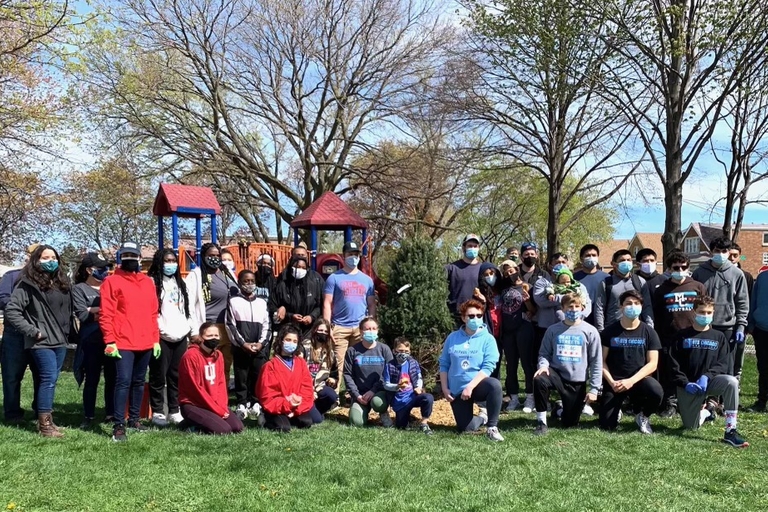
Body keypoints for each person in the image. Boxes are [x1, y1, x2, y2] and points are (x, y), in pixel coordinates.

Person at [5, 245, 72, 437]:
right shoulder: (27, 284)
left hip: (60, 339)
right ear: (36, 260)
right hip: (41, 341)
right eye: (45, 257)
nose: (50, 261)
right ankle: (45, 425)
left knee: (51, 379)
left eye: (53, 257)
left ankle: (48, 420)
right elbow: (12, 310)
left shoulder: (62, 283)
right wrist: (32, 330)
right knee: (48, 379)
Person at [667, 296, 748, 448]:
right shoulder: (681, 336)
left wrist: (706, 376)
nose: (705, 316)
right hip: (688, 386)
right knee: (691, 426)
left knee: (731, 382)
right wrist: (685, 383)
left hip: (710, 383)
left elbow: (723, 364)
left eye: (709, 312)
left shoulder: (719, 337)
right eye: (702, 312)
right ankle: (707, 413)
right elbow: (673, 364)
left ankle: (731, 430)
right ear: (694, 311)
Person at [99, 241, 160, 442]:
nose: (129, 259)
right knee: (123, 381)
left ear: (139, 258)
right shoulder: (111, 282)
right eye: (125, 256)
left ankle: (134, 419)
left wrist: (155, 339)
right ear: (120, 258)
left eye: (133, 256)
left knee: (139, 381)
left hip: (145, 341)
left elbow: (153, 312)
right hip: (122, 341)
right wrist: (110, 340)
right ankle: (119, 425)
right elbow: (106, 314)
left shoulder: (147, 282)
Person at [532, 292, 602, 435]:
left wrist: (594, 388)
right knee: (539, 379)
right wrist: (543, 366)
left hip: (577, 380)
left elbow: (596, 361)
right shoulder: (553, 330)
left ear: (582, 308)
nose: (574, 310)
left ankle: (559, 409)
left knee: (570, 423)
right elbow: (544, 353)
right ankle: (541, 422)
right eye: (570, 307)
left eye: (577, 306)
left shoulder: (590, 331)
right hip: (556, 373)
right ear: (563, 309)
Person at [651, 250, 708, 417]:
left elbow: (706, 309)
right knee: (672, 372)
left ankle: (693, 403)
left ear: (688, 267)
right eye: (676, 267)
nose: (680, 270)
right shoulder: (662, 289)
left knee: (691, 370)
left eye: (684, 267)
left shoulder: (698, 286)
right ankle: (671, 403)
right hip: (670, 337)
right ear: (669, 268)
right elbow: (658, 314)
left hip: (693, 335)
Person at [439, 299, 504, 442]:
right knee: (465, 428)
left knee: (495, 385)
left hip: (478, 385)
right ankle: (482, 417)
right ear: (463, 318)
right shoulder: (452, 338)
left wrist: (470, 386)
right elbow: (444, 364)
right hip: (457, 389)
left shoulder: (488, 339)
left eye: (479, 316)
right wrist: (445, 388)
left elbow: (488, 366)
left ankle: (492, 427)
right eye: (471, 316)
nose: (476, 319)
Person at [598, 290, 663, 433]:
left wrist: (631, 381)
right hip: (615, 382)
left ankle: (643, 415)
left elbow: (653, 363)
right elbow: (601, 361)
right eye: (628, 303)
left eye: (636, 303)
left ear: (641, 306)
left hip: (639, 380)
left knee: (656, 391)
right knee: (607, 426)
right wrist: (611, 382)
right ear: (621, 307)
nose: (632, 306)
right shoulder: (609, 332)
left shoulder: (649, 332)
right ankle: (616, 410)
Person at [147, 249, 193, 427]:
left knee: (176, 375)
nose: (171, 264)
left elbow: (185, 308)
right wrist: (159, 330)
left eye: (173, 260)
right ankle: (158, 411)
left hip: (180, 335)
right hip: (161, 336)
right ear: (159, 262)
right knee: (159, 375)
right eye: (167, 260)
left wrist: (188, 328)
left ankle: (174, 409)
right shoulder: (152, 283)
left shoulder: (180, 283)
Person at [691, 237, 749, 378]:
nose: (721, 254)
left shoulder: (737, 274)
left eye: (725, 251)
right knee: (707, 362)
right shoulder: (699, 272)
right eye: (718, 251)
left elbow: (742, 302)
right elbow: (694, 300)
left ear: (729, 252)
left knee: (727, 363)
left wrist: (741, 325)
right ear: (711, 252)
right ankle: (708, 396)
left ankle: (723, 398)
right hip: (705, 324)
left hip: (728, 326)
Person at [323, 241, 376, 394]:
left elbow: (371, 304)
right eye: (350, 254)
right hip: (339, 327)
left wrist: (371, 325)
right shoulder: (334, 278)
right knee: (338, 365)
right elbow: (327, 303)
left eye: (356, 254)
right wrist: (328, 327)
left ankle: (356, 395)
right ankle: (335, 397)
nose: (353, 257)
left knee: (360, 364)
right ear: (343, 256)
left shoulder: (367, 280)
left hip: (361, 329)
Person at [72, 252, 116, 429]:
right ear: (89, 269)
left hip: (111, 340)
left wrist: (93, 309)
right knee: (91, 379)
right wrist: (105, 310)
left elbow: (118, 311)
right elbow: (82, 315)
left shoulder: (110, 285)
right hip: (90, 341)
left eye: (107, 267)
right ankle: (88, 416)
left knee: (112, 379)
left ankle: (111, 413)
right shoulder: (79, 289)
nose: (106, 271)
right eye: (101, 268)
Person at [186, 242, 239, 383]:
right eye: (211, 255)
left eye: (217, 255)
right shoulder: (196, 275)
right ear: (203, 257)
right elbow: (189, 304)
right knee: (207, 367)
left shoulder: (227, 273)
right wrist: (194, 331)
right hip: (208, 327)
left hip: (227, 327)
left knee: (225, 365)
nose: (215, 258)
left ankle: (222, 398)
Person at [178, 323, 244, 435]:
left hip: (213, 403)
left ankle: (201, 421)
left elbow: (221, 383)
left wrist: (222, 407)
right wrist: (217, 410)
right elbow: (195, 389)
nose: (213, 338)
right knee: (223, 430)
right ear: (201, 337)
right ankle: (190, 424)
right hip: (194, 403)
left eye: (216, 335)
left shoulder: (218, 355)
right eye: (209, 336)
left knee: (237, 427)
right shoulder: (191, 356)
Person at [0, 243, 39, 424]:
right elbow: (3, 299)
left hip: (40, 334)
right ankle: (13, 413)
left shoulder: (48, 279)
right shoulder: (11, 276)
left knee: (42, 375)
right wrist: (25, 312)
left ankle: (41, 410)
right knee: (11, 376)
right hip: (14, 334)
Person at [226, 269, 270, 420]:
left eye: (252, 281)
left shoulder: (262, 303)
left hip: (259, 347)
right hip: (241, 347)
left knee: (257, 374)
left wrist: (261, 343)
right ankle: (242, 403)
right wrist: (242, 344)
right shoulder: (233, 301)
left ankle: (255, 401)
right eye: (246, 281)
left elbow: (267, 325)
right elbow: (230, 325)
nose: (249, 284)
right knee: (241, 374)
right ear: (239, 283)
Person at [256, 325, 315, 432]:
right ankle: (265, 417)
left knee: (306, 422)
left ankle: (289, 417)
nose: (291, 343)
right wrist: (287, 404)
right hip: (277, 407)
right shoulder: (270, 366)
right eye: (288, 340)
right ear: (281, 341)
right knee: (284, 428)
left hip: (296, 406)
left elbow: (307, 388)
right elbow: (267, 396)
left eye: (294, 341)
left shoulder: (300, 363)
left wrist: (297, 406)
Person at [497, 259, 536, 413]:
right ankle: (513, 398)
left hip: (523, 328)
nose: (509, 273)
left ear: (517, 269)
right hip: (507, 331)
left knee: (527, 364)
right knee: (511, 366)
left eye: (511, 270)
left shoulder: (528, 286)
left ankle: (529, 397)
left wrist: (527, 302)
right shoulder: (503, 288)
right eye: (506, 272)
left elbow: (533, 311)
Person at [344, 316, 393, 427]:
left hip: (379, 392)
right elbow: (347, 375)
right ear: (361, 331)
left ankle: (383, 413)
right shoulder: (352, 351)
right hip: (360, 394)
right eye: (367, 329)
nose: (371, 331)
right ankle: (358, 408)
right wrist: (356, 395)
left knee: (378, 403)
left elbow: (389, 373)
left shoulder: (384, 349)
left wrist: (373, 390)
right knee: (356, 423)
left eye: (374, 328)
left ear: (377, 330)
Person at [381, 338, 434, 434]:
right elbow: (386, 384)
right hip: (399, 401)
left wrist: (418, 387)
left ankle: (424, 424)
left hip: (413, 395)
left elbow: (419, 377)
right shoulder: (389, 366)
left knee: (428, 398)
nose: (403, 354)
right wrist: (397, 386)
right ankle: (408, 419)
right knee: (401, 426)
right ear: (394, 351)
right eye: (400, 351)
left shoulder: (413, 363)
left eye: (406, 351)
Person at [594, 250, 652, 332]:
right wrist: (601, 331)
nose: (626, 262)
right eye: (622, 260)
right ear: (613, 264)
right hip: (612, 329)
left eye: (629, 260)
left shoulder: (640, 282)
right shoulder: (606, 283)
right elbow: (599, 308)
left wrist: (649, 328)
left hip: (635, 329)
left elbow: (647, 307)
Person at [272, 255, 323, 337]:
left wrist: (312, 316)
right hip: (288, 330)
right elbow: (273, 305)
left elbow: (320, 305)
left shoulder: (313, 285)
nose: (300, 270)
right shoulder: (283, 285)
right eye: (298, 267)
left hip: (309, 331)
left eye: (303, 268)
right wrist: (290, 316)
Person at [302, 319, 340, 423]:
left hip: (320, 387)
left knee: (332, 396)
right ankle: (312, 412)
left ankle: (316, 410)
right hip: (304, 389)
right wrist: (310, 391)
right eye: (320, 330)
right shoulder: (304, 347)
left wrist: (333, 381)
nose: (323, 333)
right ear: (314, 331)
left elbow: (334, 374)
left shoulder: (330, 353)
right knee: (317, 420)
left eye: (325, 331)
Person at [445, 234, 483, 326]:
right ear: (463, 247)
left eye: (475, 246)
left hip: (476, 317)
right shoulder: (451, 268)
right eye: (470, 246)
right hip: (455, 318)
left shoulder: (483, 269)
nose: (473, 248)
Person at [747, 269, 768, 412]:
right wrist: (751, 324)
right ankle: (762, 401)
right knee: (764, 367)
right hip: (762, 329)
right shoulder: (762, 277)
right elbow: (753, 301)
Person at [574, 244, 609, 324]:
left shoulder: (607, 278)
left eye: (594, 255)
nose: (591, 257)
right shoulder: (574, 278)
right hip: (580, 319)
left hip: (602, 320)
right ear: (581, 258)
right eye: (588, 255)